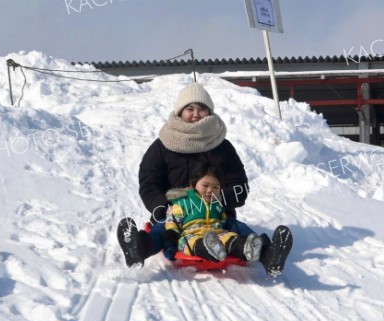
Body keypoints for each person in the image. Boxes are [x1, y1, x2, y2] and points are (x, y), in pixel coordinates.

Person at [117, 82, 292, 276]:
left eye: (202, 109)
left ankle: (270, 255)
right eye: (189, 108)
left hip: (216, 214)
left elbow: (240, 186)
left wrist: (216, 199)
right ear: (179, 112)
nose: (195, 114)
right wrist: (162, 207)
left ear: (209, 112)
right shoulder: (162, 146)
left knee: (240, 230)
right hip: (176, 212)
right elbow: (149, 182)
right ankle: (137, 248)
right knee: (161, 232)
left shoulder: (222, 146)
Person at [163, 162, 263, 262]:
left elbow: (223, 221)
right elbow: (173, 224)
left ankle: (245, 249)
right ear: (193, 185)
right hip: (191, 234)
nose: (210, 190)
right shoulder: (183, 203)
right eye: (205, 185)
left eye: (215, 187)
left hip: (216, 234)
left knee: (228, 238)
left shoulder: (217, 205)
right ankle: (210, 251)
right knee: (192, 242)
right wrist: (170, 243)